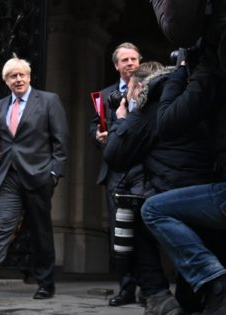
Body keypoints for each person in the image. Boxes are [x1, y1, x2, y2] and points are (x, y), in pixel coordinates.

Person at [103, 61, 216, 315]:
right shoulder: (188, 99)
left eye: (131, 92)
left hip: (175, 198)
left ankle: (157, 295)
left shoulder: (150, 107)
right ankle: (195, 294)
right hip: (208, 197)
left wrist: (123, 120)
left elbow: (115, 155)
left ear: (140, 87)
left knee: (137, 216)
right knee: (191, 300)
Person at [0, 55, 69, 302]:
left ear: (29, 77)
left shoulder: (49, 101)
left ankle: (45, 283)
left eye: (22, 75)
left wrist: (54, 173)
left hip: (38, 175)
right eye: (13, 76)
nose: (18, 79)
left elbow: (60, 140)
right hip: (6, 175)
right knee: (2, 227)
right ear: (6, 81)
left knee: (41, 232)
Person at [141, 52, 226, 314]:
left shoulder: (212, 70)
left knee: (152, 209)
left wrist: (180, 70)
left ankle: (214, 280)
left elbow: (167, 122)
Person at [88, 42, 142, 307]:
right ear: (116, 66)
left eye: (133, 59)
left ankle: (149, 285)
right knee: (119, 233)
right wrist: (97, 136)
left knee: (145, 228)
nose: (130, 63)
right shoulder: (105, 94)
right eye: (125, 60)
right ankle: (126, 288)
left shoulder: (151, 89)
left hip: (145, 169)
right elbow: (93, 125)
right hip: (115, 171)